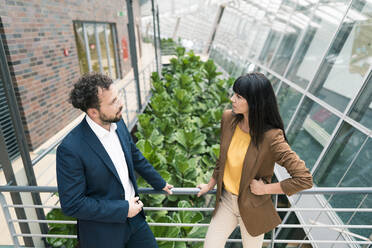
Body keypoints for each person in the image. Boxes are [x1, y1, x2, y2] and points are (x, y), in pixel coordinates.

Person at [56, 73, 173, 248]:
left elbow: (134, 155)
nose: (121, 104)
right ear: (93, 112)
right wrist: (123, 209)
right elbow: (72, 204)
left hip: (136, 222)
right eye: (113, 102)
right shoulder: (70, 149)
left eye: (118, 98)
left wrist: (159, 182)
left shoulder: (118, 122)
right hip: (102, 235)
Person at [197, 72, 313, 248]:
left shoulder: (272, 137)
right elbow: (223, 159)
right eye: (234, 94)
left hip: (253, 206)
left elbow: (304, 179)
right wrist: (210, 184)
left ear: (254, 102)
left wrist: (266, 188)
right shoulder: (228, 119)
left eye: (238, 96)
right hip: (227, 202)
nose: (232, 99)